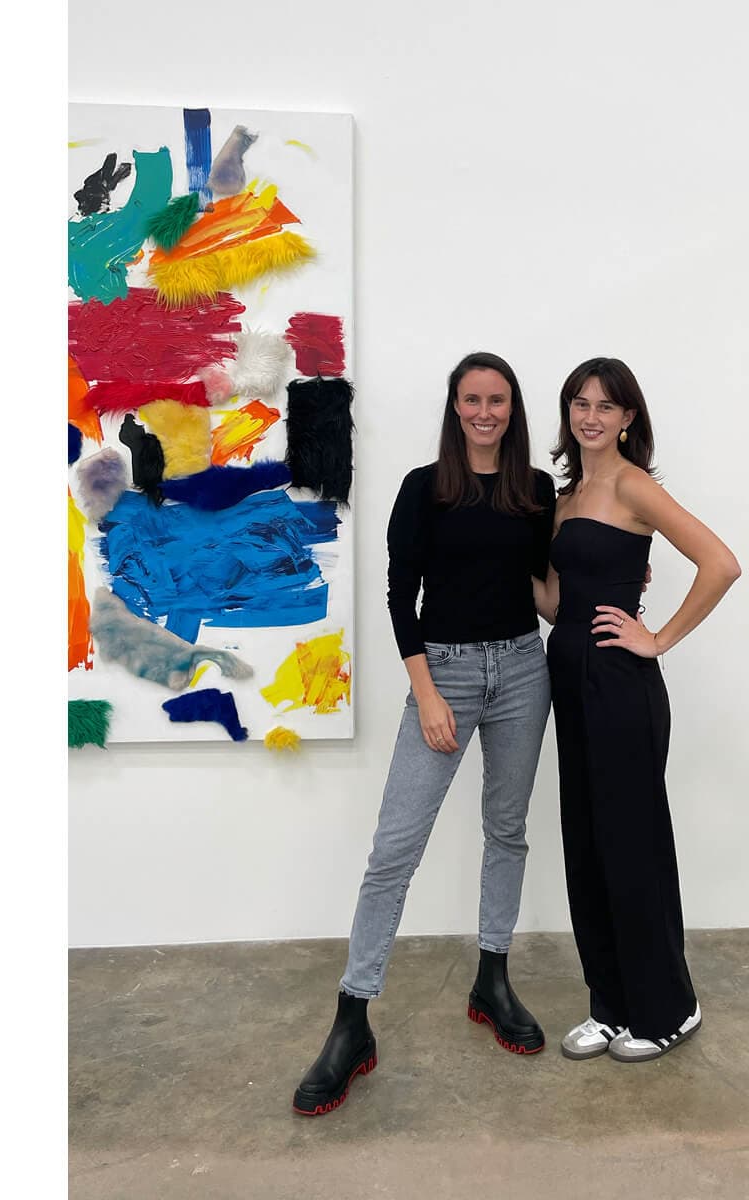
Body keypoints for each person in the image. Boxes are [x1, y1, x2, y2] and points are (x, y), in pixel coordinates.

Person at [293, 352, 557, 1116]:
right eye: (472, 399)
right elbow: (397, 595)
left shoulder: (536, 491)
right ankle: (352, 1019)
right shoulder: (424, 488)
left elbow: (543, 594)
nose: (485, 412)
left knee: (506, 831)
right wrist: (427, 692)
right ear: (455, 407)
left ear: (513, 409)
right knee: (393, 852)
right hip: (443, 674)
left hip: (523, 670)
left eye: (497, 400)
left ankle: (491, 980)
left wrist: (608, 583)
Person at [534, 356, 740, 1064]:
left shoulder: (632, 485)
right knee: (587, 843)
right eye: (579, 403)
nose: (590, 416)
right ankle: (611, 1005)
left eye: (605, 406)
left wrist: (658, 638)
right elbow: (556, 602)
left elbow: (721, 563)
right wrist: (492, 556)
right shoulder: (565, 498)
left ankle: (669, 1008)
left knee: (631, 844)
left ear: (627, 418)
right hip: (569, 677)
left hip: (622, 684)